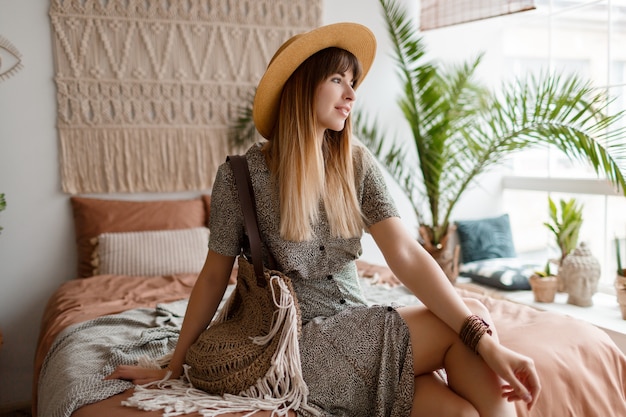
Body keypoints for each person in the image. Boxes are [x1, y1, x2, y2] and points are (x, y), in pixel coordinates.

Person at [107, 22, 541, 417]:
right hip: (298, 346)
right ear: (301, 86)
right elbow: (212, 277)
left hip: (359, 327)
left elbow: (406, 253)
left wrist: (481, 339)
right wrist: (176, 363)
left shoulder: (356, 164)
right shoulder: (242, 176)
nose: (351, 95)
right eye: (337, 80)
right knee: (471, 320)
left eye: (352, 83)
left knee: (461, 411)